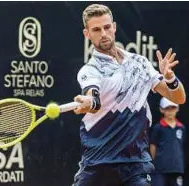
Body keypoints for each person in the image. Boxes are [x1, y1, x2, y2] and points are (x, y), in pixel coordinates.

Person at [72, 4, 186, 186]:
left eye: (107, 27)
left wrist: (171, 78)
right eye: (96, 29)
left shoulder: (139, 63)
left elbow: (179, 98)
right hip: (99, 163)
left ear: (114, 27)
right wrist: (89, 102)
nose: (103, 33)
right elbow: (93, 98)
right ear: (87, 34)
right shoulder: (90, 70)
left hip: (136, 164)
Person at [150, 97, 185, 186]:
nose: (170, 111)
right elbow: (153, 146)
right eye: (167, 108)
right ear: (161, 109)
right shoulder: (158, 127)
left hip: (177, 168)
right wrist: (155, 162)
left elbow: (180, 146)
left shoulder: (181, 127)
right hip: (160, 168)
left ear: (177, 108)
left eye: (172, 108)